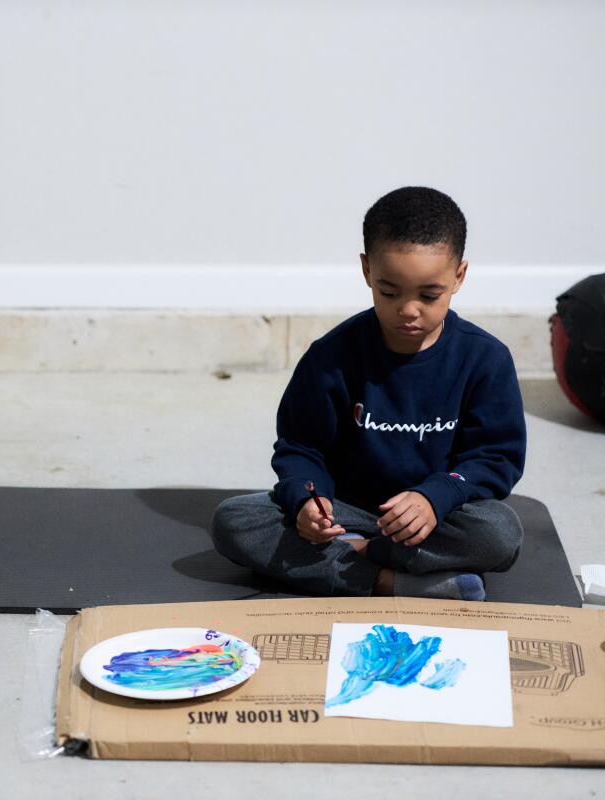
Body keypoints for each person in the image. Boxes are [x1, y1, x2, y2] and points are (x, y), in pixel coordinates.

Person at [211, 187, 525, 600]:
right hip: (346, 513)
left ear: (459, 277)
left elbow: (495, 457)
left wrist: (436, 496)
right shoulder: (331, 357)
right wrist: (309, 501)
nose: (409, 310)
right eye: (389, 292)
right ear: (366, 271)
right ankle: (391, 581)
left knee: (499, 531)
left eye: (430, 295)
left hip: (438, 515)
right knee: (234, 521)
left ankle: (354, 561)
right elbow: (301, 447)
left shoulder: (486, 359)